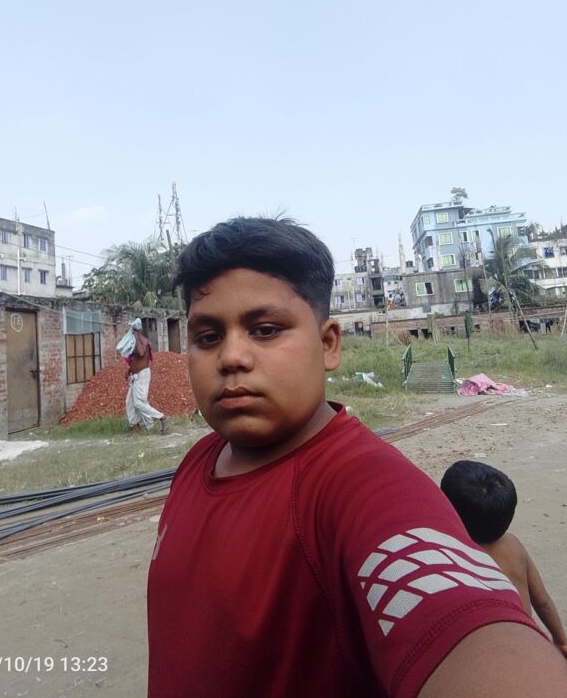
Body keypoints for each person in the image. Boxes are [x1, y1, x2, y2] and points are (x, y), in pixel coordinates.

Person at [147, 217, 567, 697]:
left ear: (328, 344)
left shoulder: (365, 487)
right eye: (208, 337)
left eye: (264, 330)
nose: (231, 357)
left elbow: (474, 636)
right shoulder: (199, 459)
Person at [441, 459, 567, 660]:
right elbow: (542, 602)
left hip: (483, 658)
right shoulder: (512, 545)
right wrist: (561, 640)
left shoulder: (447, 555)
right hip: (525, 645)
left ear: (447, 510)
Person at [124, 322, 167, 435]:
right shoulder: (135, 341)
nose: (130, 331)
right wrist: (129, 369)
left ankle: (162, 417)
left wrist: (136, 335)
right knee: (129, 402)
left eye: (133, 329)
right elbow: (135, 359)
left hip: (142, 374)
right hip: (135, 375)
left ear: (137, 330)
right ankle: (136, 427)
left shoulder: (142, 340)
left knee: (139, 403)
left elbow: (141, 353)